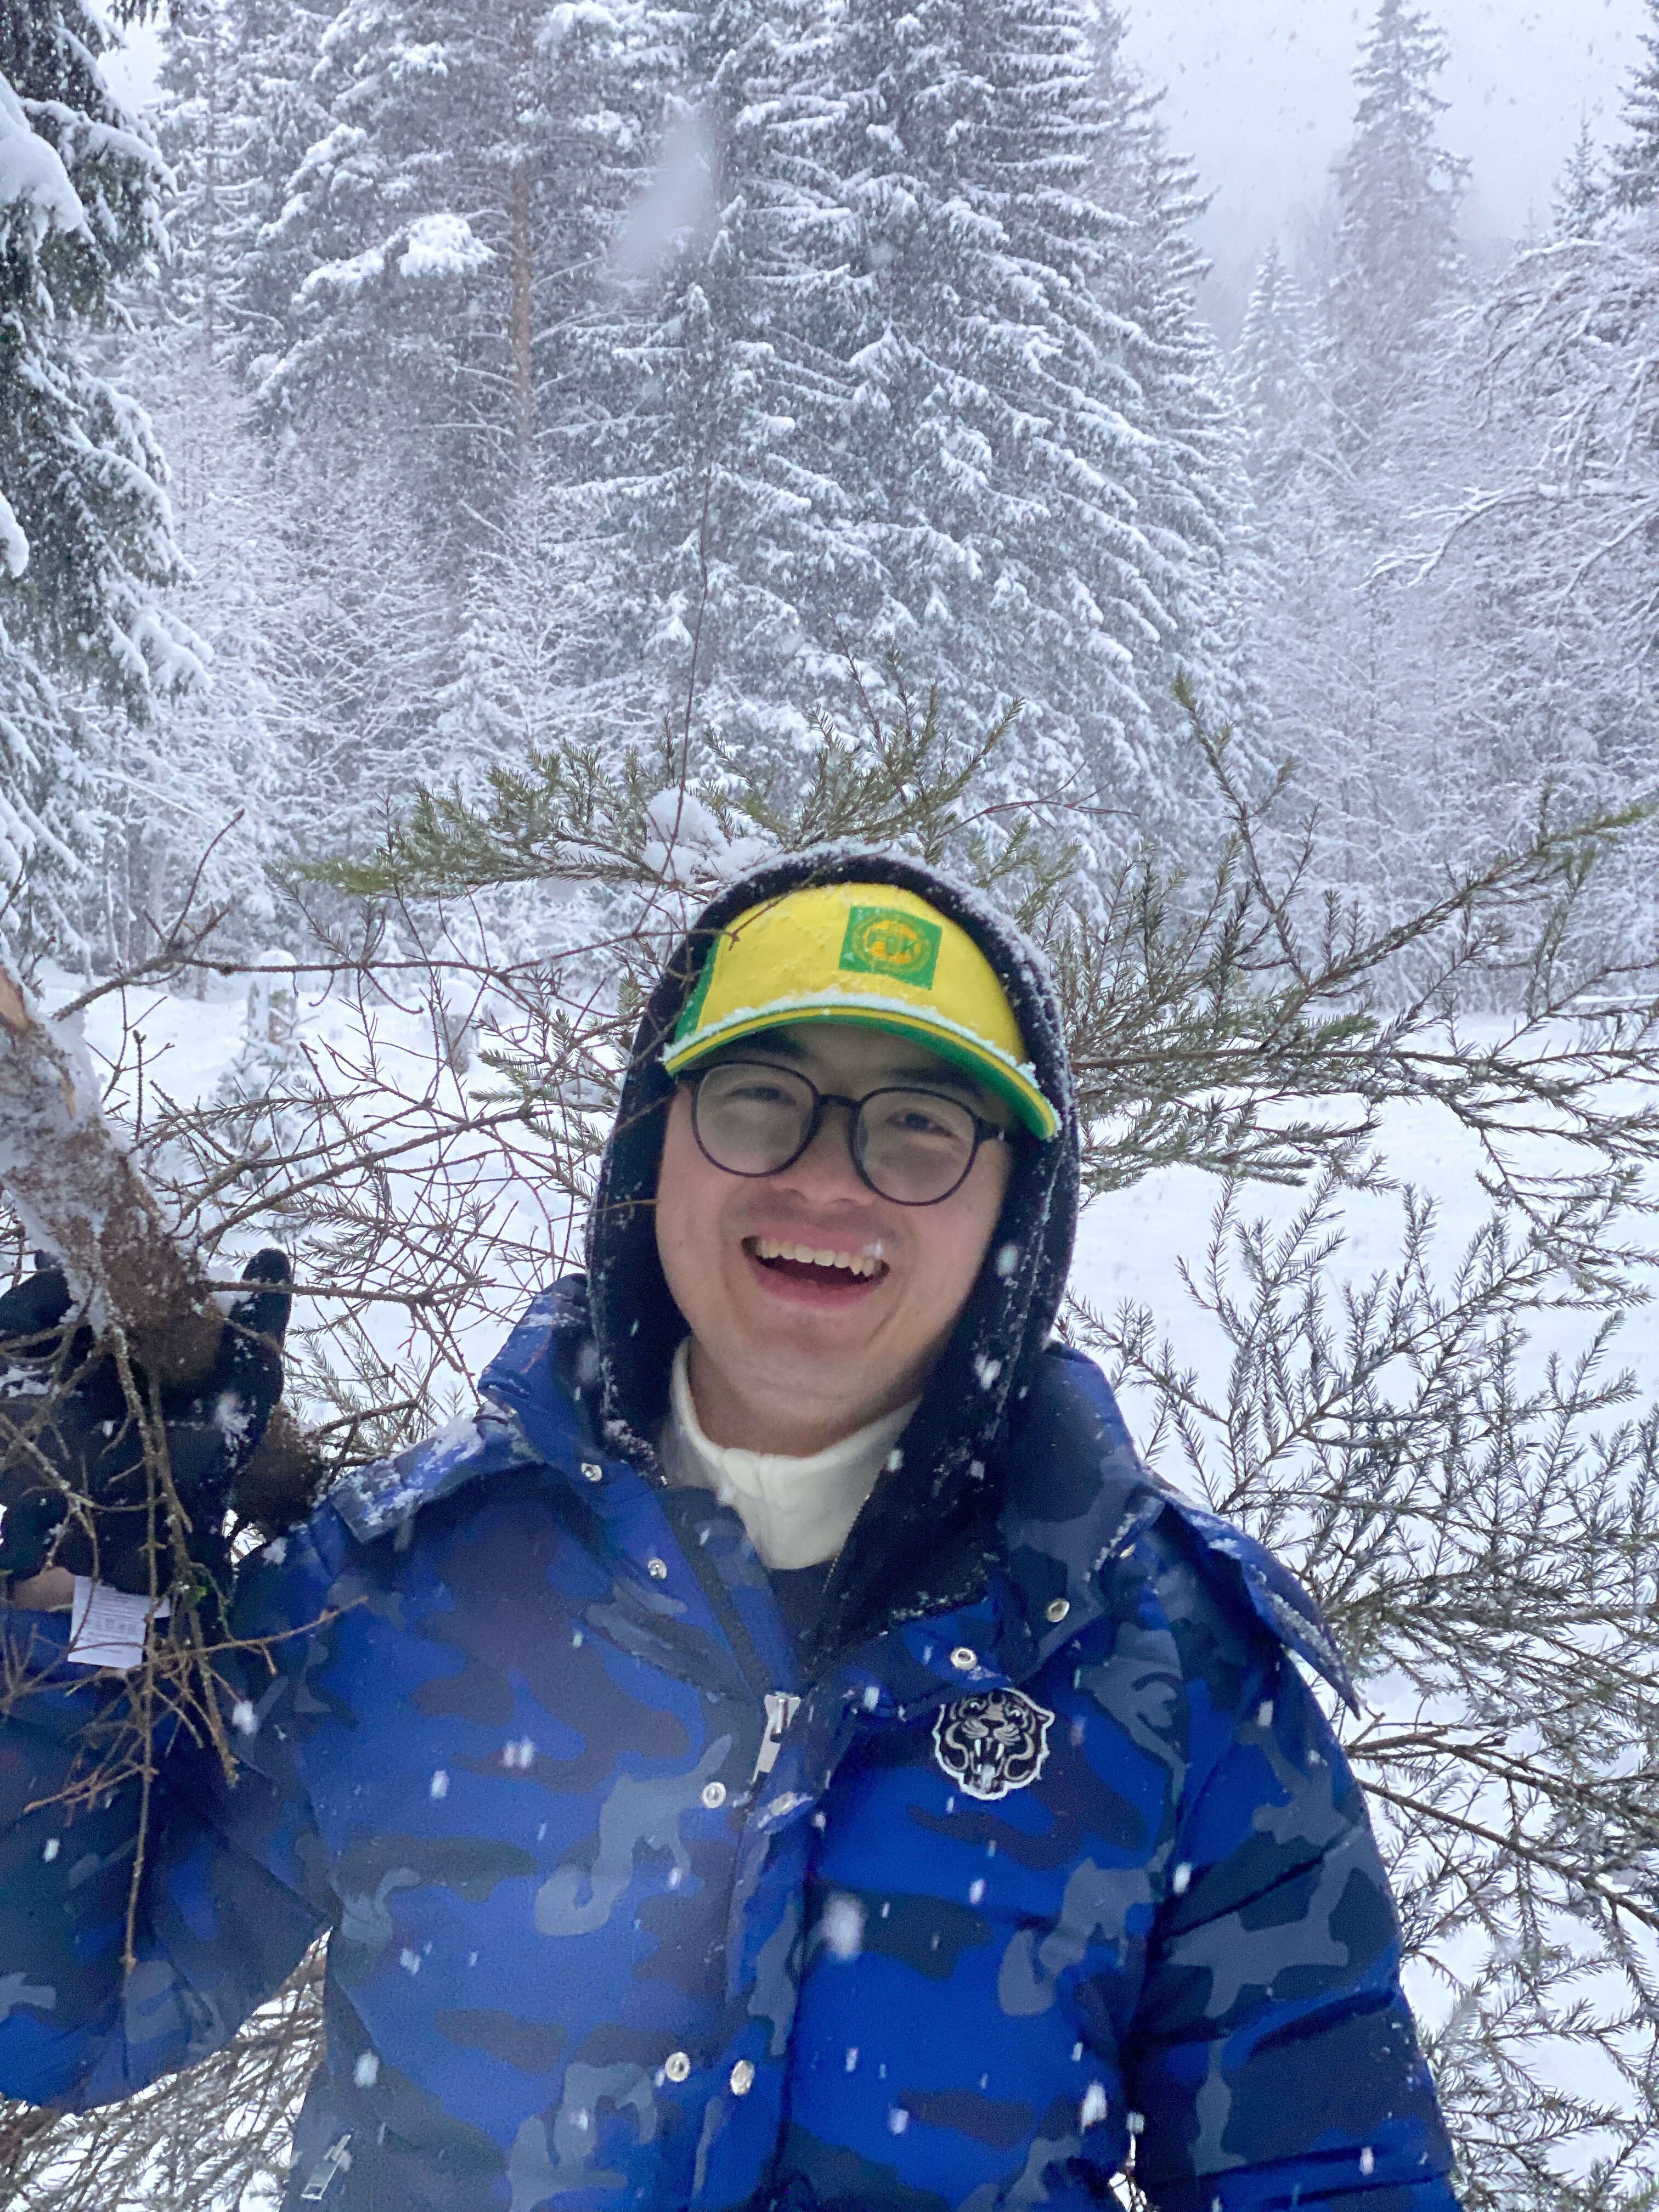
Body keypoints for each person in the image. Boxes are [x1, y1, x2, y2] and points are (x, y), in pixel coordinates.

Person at [0, 850, 1462, 2210]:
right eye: (761, 1096)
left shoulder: (1169, 1666)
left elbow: (1330, 2177)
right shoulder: (399, 1582)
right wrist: (82, 1621)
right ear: (658, 1153)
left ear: (1017, 1204)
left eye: (919, 1125)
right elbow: (66, 2016)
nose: (825, 1178)